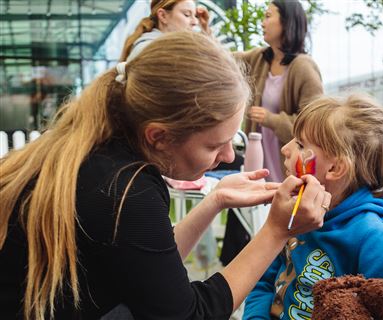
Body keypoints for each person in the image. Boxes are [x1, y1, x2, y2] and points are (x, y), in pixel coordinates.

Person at [0, 32, 331, 320]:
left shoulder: (95, 156)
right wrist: (275, 231)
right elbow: (186, 314)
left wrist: (215, 200)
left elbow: (146, 265)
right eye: (216, 144)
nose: (229, 157)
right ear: (158, 136)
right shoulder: (123, 187)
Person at [243, 94, 383, 319]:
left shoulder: (377, 239)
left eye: (300, 144)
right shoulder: (298, 215)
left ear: (335, 168)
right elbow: (262, 281)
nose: (286, 149)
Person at [236, 0, 323, 183]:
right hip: (256, 163)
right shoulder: (259, 58)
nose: (262, 23)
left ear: (287, 22)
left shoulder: (304, 67)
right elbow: (223, 61)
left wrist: (271, 119)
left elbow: (314, 125)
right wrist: (206, 32)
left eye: (268, 16)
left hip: (286, 170)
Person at [119, 0, 210, 62]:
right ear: (163, 16)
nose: (195, 22)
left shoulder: (161, 48)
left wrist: (205, 29)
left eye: (195, 16)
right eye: (187, 14)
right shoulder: (151, 52)